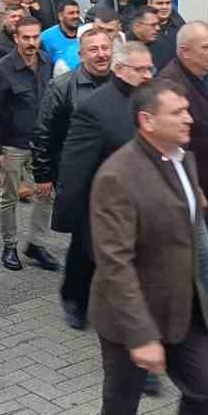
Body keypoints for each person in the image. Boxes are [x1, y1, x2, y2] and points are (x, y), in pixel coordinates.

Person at [91, 80, 208, 415]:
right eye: (178, 112)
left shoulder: (184, 159)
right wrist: (142, 335)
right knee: (122, 407)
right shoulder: (117, 176)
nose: (189, 118)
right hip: (131, 319)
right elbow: (115, 263)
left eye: (188, 109)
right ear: (147, 122)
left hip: (184, 308)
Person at [55, 42, 157, 332]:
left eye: (149, 68)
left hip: (141, 197)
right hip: (100, 199)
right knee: (86, 254)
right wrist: (70, 211)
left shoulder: (152, 99)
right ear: (120, 70)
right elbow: (75, 163)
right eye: (139, 70)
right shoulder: (95, 108)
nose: (147, 75)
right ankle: (74, 298)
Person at [0, 18, 54, 272]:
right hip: (12, 144)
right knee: (9, 197)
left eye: (35, 37)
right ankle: (10, 245)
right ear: (16, 38)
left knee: (47, 194)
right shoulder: (1, 70)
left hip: (42, 143)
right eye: (26, 37)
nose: (31, 42)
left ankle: (36, 244)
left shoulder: (47, 62)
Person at [159, 23, 208, 248]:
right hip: (183, 188)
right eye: (207, 47)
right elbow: (169, 144)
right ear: (184, 52)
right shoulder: (170, 84)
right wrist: (190, 183)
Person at [32, 29, 114, 213]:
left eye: (105, 48)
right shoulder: (61, 87)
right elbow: (43, 133)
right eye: (93, 49)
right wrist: (42, 175)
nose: (101, 54)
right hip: (77, 175)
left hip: (113, 174)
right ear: (81, 54)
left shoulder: (121, 83)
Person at [147, 0, 185, 70]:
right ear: (149, 3)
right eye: (160, 3)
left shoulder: (181, 27)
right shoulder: (141, 28)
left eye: (168, 3)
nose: (164, 7)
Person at [42, 0, 82, 74]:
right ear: (60, 16)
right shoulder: (46, 37)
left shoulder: (85, 33)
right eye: (71, 13)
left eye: (77, 12)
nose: (76, 16)